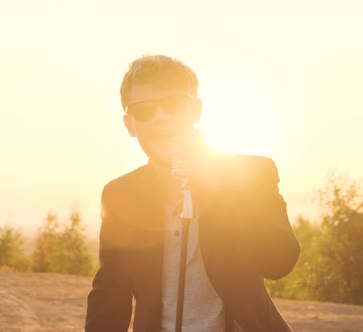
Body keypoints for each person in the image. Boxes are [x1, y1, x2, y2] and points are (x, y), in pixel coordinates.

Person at [85, 55, 301, 332]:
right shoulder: (120, 194)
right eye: (144, 110)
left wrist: (217, 185)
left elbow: (278, 261)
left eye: (173, 104)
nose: (160, 117)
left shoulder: (250, 173)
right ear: (130, 124)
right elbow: (109, 295)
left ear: (196, 111)